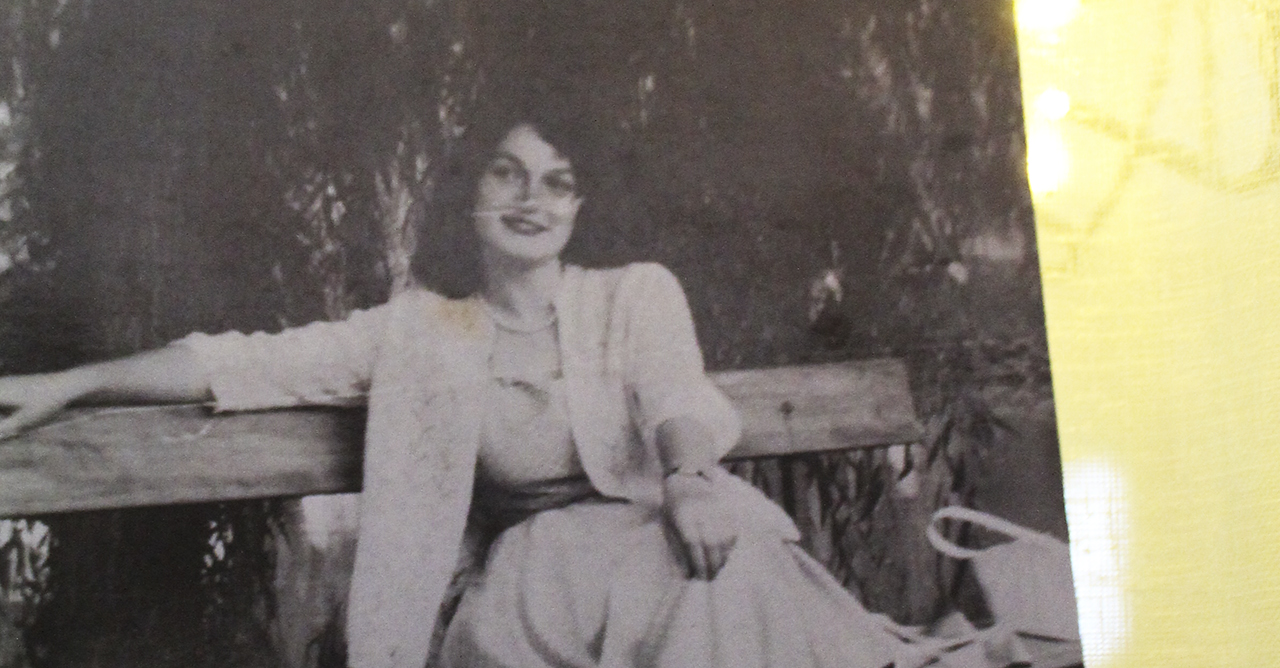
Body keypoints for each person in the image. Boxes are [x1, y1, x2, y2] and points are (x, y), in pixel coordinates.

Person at [0, 91, 929, 668]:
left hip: (663, 532)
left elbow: (674, 393)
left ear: (581, 203)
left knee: (720, 573)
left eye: (557, 182)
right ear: (469, 191)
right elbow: (241, 360)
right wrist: (72, 384)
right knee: (702, 589)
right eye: (507, 174)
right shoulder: (419, 331)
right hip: (538, 581)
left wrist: (688, 480)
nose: (532, 199)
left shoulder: (633, 293)